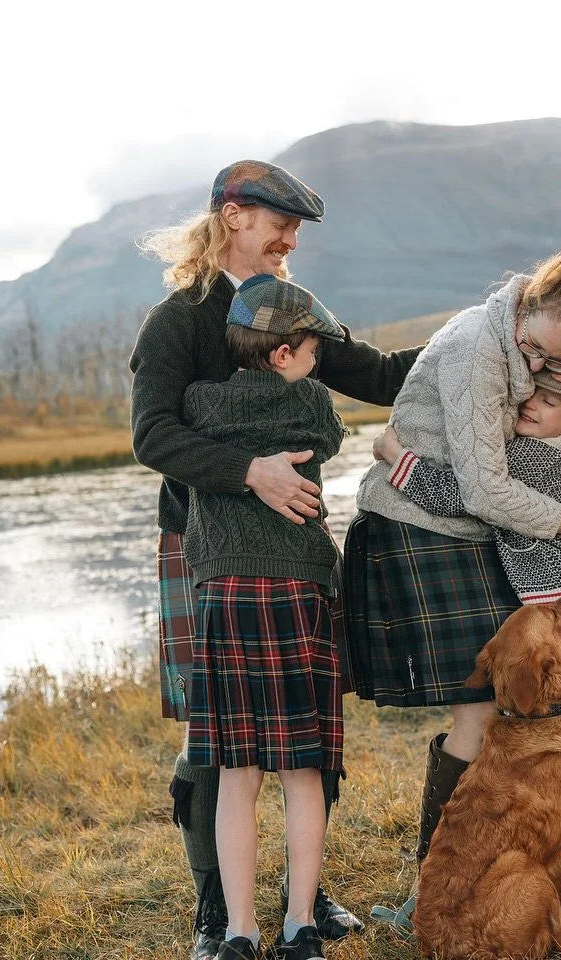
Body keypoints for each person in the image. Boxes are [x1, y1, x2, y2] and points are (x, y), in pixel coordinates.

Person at [343, 239, 561, 925]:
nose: (534, 374)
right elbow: (485, 490)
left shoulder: (551, 354)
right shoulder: (477, 346)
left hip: (507, 550)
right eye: (532, 352)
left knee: (543, 718)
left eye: (550, 365)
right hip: (426, 532)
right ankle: (438, 892)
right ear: (527, 304)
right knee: (487, 711)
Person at [130, 159, 422, 960]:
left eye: (296, 228)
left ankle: (306, 894)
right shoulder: (178, 320)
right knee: (213, 742)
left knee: (305, 727)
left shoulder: (293, 311)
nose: (291, 239)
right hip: (204, 547)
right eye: (279, 223)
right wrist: (250, 472)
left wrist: (480, 343)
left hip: (293, 556)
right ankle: (215, 913)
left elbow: (379, 376)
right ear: (233, 215)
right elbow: (152, 434)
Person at [183, 274, 350, 960]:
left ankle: (239, 932)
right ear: (283, 355)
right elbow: (331, 438)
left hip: (224, 596)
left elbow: (180, 443)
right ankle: (300, 925)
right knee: (302, 769)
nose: (316, 363)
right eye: (312, 351)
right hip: (296, 592)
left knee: (236, 774)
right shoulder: (309, 401)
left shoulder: (199, 403)